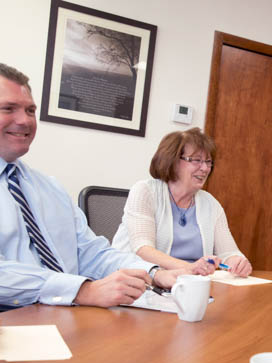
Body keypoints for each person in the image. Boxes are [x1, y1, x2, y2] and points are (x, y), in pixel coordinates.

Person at [0, 63, 179, 310]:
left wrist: (155, 273)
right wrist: (82, 290)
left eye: (30, 110)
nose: (25, 120)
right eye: (8, 109)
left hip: (66, 313)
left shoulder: (49, 187)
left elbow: (92, 253)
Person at [112, 128, 251, 277]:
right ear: (172, 160)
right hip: (140, 282)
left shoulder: (210, 204)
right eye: (196, 160)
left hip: (190, 284)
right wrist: (190, 268)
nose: (205, 168)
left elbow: (228, 252)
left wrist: (238, 261)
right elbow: (143, 249)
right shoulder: (145, 191)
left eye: (208, 162)